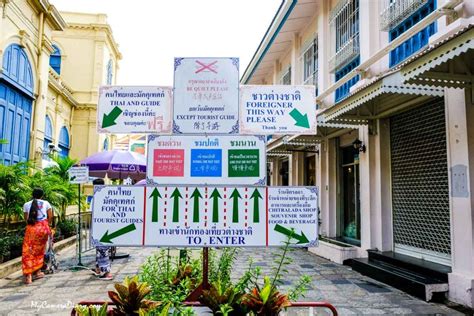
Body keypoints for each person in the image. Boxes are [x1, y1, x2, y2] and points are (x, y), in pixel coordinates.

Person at [22, 188, 53, 285]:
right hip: (43, 229)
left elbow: (26, 219)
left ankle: (28, 276)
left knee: (28, 251)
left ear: (32, 195)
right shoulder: (46, 203)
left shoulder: (26, 204)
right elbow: (50, 217)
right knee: (40, 251)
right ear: (42, 195)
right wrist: (48, 226)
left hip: (31, 230)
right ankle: (38, 272)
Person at [92, 178, 113, 280]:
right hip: (104, 226)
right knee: (100, 250)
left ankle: (107, 273)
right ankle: (98, 269)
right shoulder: (108, 195)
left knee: (103, 251)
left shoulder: (97, 196)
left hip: (101, 227)